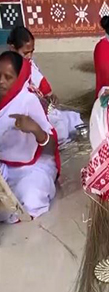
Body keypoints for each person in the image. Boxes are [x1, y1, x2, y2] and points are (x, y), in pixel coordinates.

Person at [0, 52, 59, 222]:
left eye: (8, 77)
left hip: (32, 167)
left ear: (18, 79)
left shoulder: (27, 101)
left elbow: (51, 146)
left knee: (31, 198)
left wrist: (35, 129)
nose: (1, 81)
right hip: (3, 167)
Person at [8, 26, 83, 145]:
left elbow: (43, 89)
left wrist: (50, 97)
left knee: (73, 118)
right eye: (25, 53)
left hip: (42, 110)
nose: (29, 56)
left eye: (32, 52)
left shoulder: (30, 64)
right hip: (24, 118)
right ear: (12, 48)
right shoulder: (8, 70)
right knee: (60, 130)